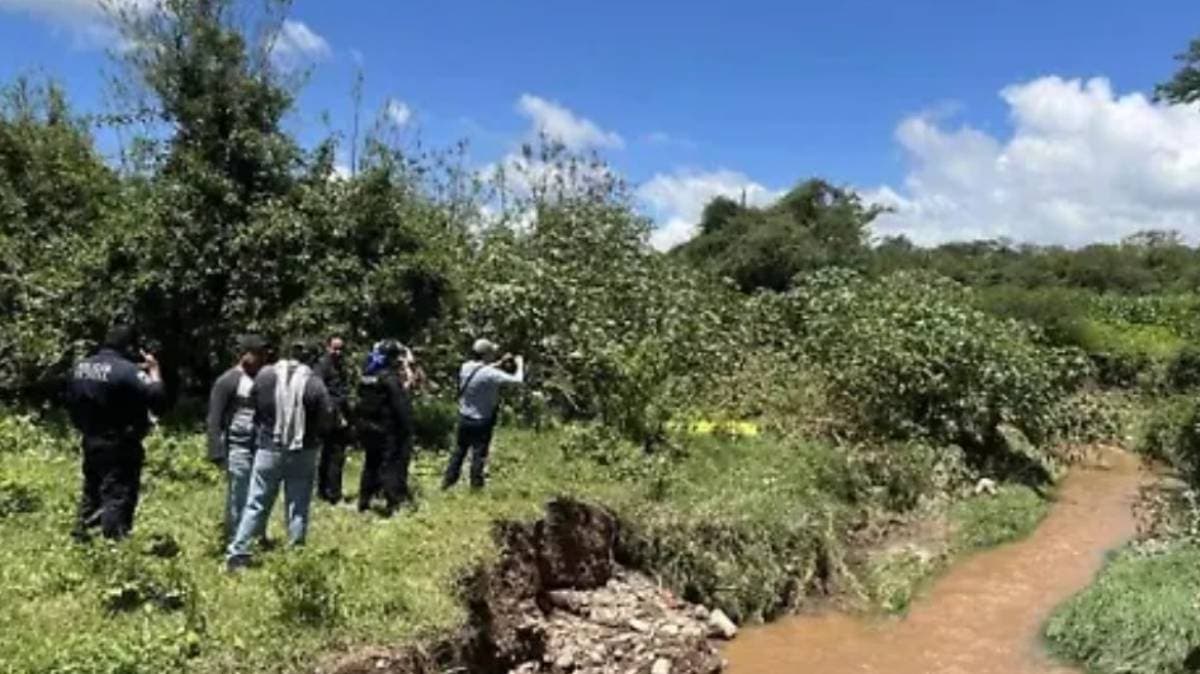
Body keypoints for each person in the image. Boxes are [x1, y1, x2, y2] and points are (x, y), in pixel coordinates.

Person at [226, 339, 332, 570]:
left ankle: (238, 553)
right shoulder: (314, 382)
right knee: (297, 505)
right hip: (302, 449)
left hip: (268, 447)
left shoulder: (265, 375)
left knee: (256, 502)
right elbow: (327, 416)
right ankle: (295, 557)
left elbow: (252, 404)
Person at [66, 325, 168, 541]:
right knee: (118, 494)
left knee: (92, 490)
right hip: (120, 442)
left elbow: (69, 401)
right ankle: (114, 547)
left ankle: (83, 539)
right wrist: (154, 371)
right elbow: (157, 398)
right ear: (130, 346)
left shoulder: (81, 367)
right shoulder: (128, 371)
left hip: (90, 437)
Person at [206, 334, 269, 542]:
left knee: (258, 494)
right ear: (245, 355)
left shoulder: (261, 379)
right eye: (258, 354)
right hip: (237, 446)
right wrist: (215, 450)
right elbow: (214, 417)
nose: (262, 359)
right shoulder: (228, 381)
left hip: (259, 444)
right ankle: (235, 537)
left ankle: (255, 535)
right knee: (239, 494)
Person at [443, 338, 524, 490]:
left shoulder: (465, 367)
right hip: (482, 420)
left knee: (459, 452)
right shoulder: (491, 374)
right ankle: (476, 486)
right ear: (486, 354)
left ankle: (447, 482)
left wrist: (499, 363)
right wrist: (519, 364)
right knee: (479, 454)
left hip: (464, 417)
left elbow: (481, 371)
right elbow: (517, 381)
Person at [356, 340, 415, 516]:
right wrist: (407, 429)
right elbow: (400, 406)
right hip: (386, 428)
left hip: (367, 427)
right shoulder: (389, 378)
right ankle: (392, 503)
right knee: (389, 466)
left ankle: (364, 502)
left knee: (370, 464)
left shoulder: (367, 376)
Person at [313, 335, 352, 504]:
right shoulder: (323, 366)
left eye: (341, 348)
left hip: (339, 412)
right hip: (330, 416)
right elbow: (322, 393)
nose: (338, 352)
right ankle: (333, 494)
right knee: (335, 455)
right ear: (327, 347)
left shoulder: (340, 366)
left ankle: (324, 491)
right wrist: (337, 415)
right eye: (335, 348)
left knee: (330, 454)